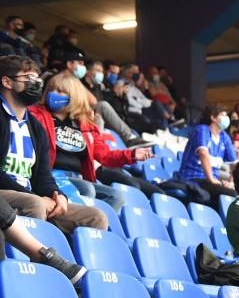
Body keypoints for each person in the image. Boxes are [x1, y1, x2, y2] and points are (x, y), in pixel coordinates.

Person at [0, 55, 88, 282]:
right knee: (35, 203)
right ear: (7, 82)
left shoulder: (36, 127)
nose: (36, 82)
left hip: (32, 195)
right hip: (9, 193)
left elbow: (43, 174)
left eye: (37, 78)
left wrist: (56, 195)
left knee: (96, 216)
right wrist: (37, 197)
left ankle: (84, 284)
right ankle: (35, 276)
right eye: (28, 77)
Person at [29, 73, 160, 211]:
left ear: (75, 96)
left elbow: (105, 155)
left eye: (60, 91)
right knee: (88, 189)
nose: (53, 94)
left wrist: (132, 154)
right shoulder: (36, 116)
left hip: (78, 178)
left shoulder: (86, 125)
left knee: (116, 196)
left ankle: (96, 230)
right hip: (51, 175)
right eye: (51, 90)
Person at [177, 104, 238, 206]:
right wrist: (211, 179)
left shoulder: (224, 137)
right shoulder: (202, 130)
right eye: (222, 115)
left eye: (226, 115)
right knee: (230, 194)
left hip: (210, 182)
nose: (226, 118)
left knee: (234, 192)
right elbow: (203, 153)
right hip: (193, 178)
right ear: (213, 118)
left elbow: (235, 164)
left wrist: (231, 182)